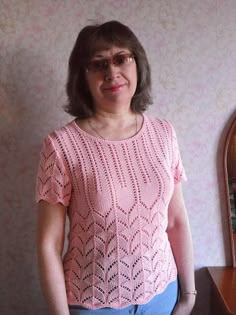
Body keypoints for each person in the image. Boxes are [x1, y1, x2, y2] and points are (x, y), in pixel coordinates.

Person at [36, 20, 196, 315]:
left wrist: (188, 295)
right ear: (82, 77)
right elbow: (48, 245)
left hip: (164, 294)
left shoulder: (164, 134)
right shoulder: (61, 146)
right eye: (98, 64)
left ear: (138, 64)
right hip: (94, 304)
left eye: (121, 58)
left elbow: (175, 221)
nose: (112, 72)